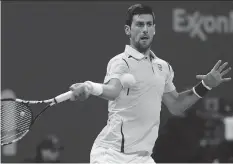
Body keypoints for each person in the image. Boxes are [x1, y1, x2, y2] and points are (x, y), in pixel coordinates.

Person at [69, 3, 232, 163]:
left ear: (154, 29)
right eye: (139, 24)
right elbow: (113, 90)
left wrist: (205, 86)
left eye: (149, 24)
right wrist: (90, 87)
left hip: (142, 158)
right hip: (111, 155)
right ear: (128, 30)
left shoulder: (163, 67)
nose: (145, 29)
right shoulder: (121, 62)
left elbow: (176, 105)